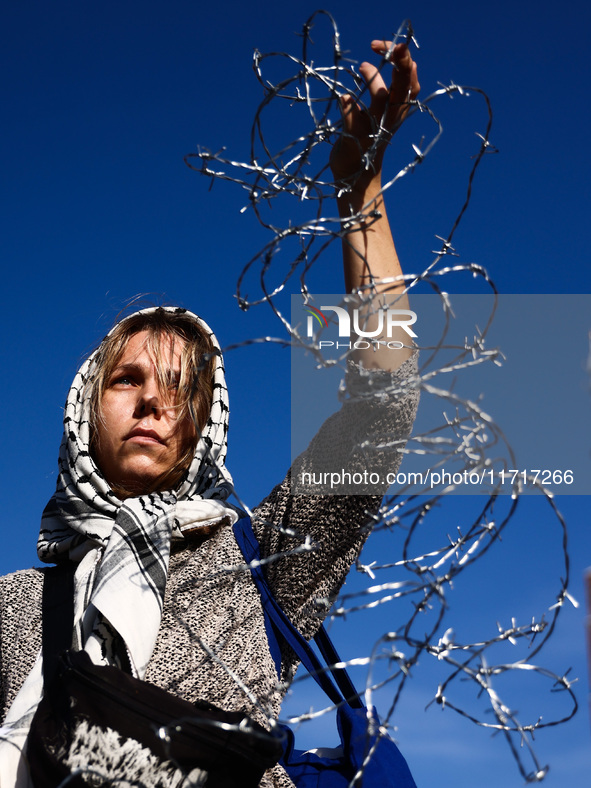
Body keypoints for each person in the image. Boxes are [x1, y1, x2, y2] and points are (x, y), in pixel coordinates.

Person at [0, 41, 420, 787]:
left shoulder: (259, 560)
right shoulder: (16, 605)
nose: (154, 401)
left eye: (178, 389)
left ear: (202, 422)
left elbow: (385, 401)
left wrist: (360, 192)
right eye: (126, 380)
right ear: (83, 411)